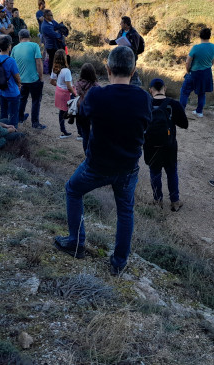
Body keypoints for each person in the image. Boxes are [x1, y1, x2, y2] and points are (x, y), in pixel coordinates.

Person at [54, 46, 152, 275]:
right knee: (125, 211)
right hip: (128, 167)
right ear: (134, 70)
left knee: (73, 190)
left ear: (107, 69)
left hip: (97, 164)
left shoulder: (97, 95)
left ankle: (76, 242)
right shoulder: (144, 98)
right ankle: (119, 263)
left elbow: (84, 115)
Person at [144, 78, 189, 211]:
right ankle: (175, 201)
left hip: (150, 146)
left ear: (150, 90)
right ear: (165, 88)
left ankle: (158, 200)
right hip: (169, 145)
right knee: (171, 171)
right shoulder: (173, 104)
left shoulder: (146, 103)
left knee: (155, 172)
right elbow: (184, 124)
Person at [12, 29, 46, 130]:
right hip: (33, 79)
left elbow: (12, 64)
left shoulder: (14, 48)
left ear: (19, 38)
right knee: (36, 101)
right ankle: (35, 123)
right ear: (29, 37)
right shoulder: (34, 46)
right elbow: (39, 63)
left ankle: (20, 117)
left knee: (22, 99)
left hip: (20, 80)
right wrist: (41, 77)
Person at [180, 27, 214, 118]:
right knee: (202, 93)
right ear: (209, 36)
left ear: (200, 36)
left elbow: (188, 61)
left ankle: (181, 112)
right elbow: (213, 61)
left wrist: (188, 71)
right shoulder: (213, 47)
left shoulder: (196, 48)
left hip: (195, 73)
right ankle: (199, 112)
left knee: (185, 92)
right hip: (206, 73)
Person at [0, 35, 22, 128]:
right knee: (13, 115)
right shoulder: (11, 60)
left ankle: (3, 131)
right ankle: (14, 134)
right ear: (9, 46)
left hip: (1, 90)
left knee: (3, 113)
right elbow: (17, 76)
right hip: (12, 91)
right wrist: (19, 85)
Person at [109, 16, 143, 86]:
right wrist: (110, 42)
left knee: (131, 73)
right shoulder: (121, 31)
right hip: (121, 55)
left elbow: (135, 49)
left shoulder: (134, 34)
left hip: (130, 57)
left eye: (121, 22)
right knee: (121, 72)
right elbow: (117, 41)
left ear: (125, 24)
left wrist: (126, 47)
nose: (120, 24)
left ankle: (135, 86)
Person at [50, 49, 76, 138]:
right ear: (64, 58)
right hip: (67, 94)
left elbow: (51, 81)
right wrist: (75, 94)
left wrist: (59, 86)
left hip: (59, 92)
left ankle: (63, 130)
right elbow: (69, 86)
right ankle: (80, 132)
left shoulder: (55, 69)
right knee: (75, 109)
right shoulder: (66, 71)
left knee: (62, 111)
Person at [74, 63, 99, 150]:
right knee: (94, 133)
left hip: (82, 108)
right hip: (93, 110)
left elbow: (77, 93)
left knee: (85, 134)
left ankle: (86, 153)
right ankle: (93, 152)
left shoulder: (78, 83)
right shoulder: (95, 85)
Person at [40, 9, 64, 74]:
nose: (52, 16)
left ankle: (55, 72)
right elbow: (54, 34)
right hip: (50, 46)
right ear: (46, 16)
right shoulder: (45, 26)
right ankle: (51, 73)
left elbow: (58, 26)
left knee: (56, 59)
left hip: (55, 44)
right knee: (52, 59)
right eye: (51, 15)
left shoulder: (52, 22)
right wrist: (60, 36)